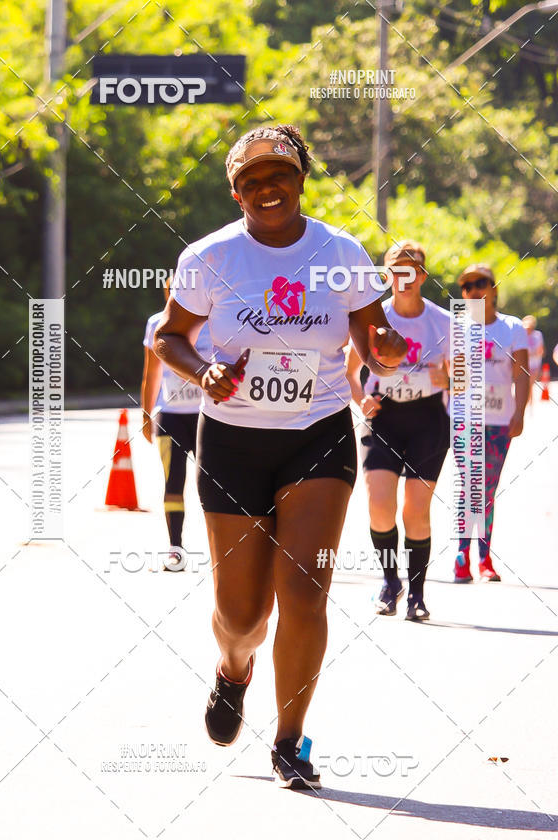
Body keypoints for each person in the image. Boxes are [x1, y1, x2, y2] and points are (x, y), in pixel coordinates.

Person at [154, 124, 407, 789]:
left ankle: (290, 740)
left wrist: (384, 344)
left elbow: (371, 329)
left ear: (301, 179)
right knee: (242, 616)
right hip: (233, 441)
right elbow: (170, 339)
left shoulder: (340, 251)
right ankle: (234, 669)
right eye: (250, 181)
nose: (266, 189)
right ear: (235, 191)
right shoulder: (208, 258)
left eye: (278, 175)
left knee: (305, 591)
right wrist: (204, 369)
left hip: (317, 434)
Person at [347, 240, 451, 622]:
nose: (404, 277)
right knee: (379, 507)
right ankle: (391, 582)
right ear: (386, 274)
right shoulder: (373, 317)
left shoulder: (444, 321)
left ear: (422, 276)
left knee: (416, 512)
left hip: (427, 420)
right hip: (384, 417)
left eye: (412, 270)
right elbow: (349, 375)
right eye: (396, 269)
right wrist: (361, 400)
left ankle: (417, 596)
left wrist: (451, 378)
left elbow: (466, 376)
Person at [453, 264, 529, 583]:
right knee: (469, 484)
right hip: (463, 420)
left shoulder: (512, 328)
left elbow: (522, 375)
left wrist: (520, 413)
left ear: (494, 289)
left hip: (499, 421)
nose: (473, 291)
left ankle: (484, 560)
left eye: (480, 283)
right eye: (467, 286)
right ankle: (462, 558)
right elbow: (450, 376)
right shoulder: (457, 326)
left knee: (485, 489)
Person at [141, 293, 212, 570]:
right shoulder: (157, 323)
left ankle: (224, 548)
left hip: (208, 417)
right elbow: (152, 372)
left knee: (216, 485)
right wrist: (147, 415)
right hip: (170, 417)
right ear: (166, 292)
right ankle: (175, 549)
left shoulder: (214, 321)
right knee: (173, 482)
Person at [522, 315, 544, 406]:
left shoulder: (537, 335)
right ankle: (528, 403)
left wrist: (531, 353)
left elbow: (540, 350)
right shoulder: (521, 335)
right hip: (524, 365)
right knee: (527, 385)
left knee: (530, 385)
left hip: (535, 365)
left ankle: (529, 404)